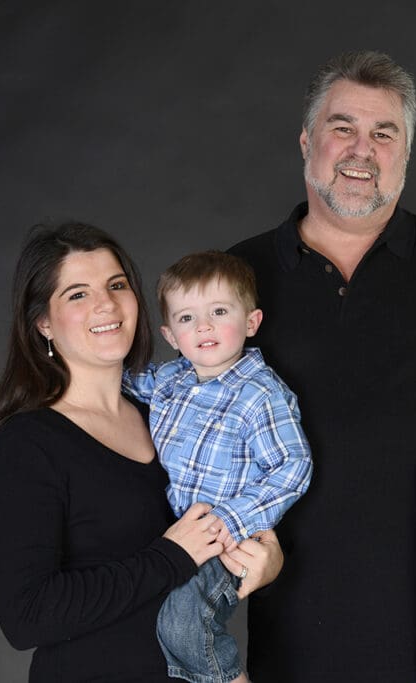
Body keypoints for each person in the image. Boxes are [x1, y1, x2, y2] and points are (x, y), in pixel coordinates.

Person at [228, 50, 416, 682]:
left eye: (384, 133)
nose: (361, 150)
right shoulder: (237, 278)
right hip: (291, 624)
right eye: (342, 128)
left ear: (406, 153)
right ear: (306, 141)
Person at [0, 223, 283, 682]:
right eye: (77, 294)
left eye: (117, 285)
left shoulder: (170, 412)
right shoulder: (26, 446)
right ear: (43, 322)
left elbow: (238, 501)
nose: (106, 304)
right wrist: (171, 555)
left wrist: (268, 555)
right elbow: (28, 616)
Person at [123, 251, 312, 683]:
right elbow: (124, 378)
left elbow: (292, 465)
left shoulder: (259, 394)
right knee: (157, 623)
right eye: (187, 318)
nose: (203, 326)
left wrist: (232, 518)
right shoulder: (171, 379)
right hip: (175, 536)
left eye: (219, 311)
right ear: (171, 334)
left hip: (224, 540)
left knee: (184, 622)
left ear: (251, 322)